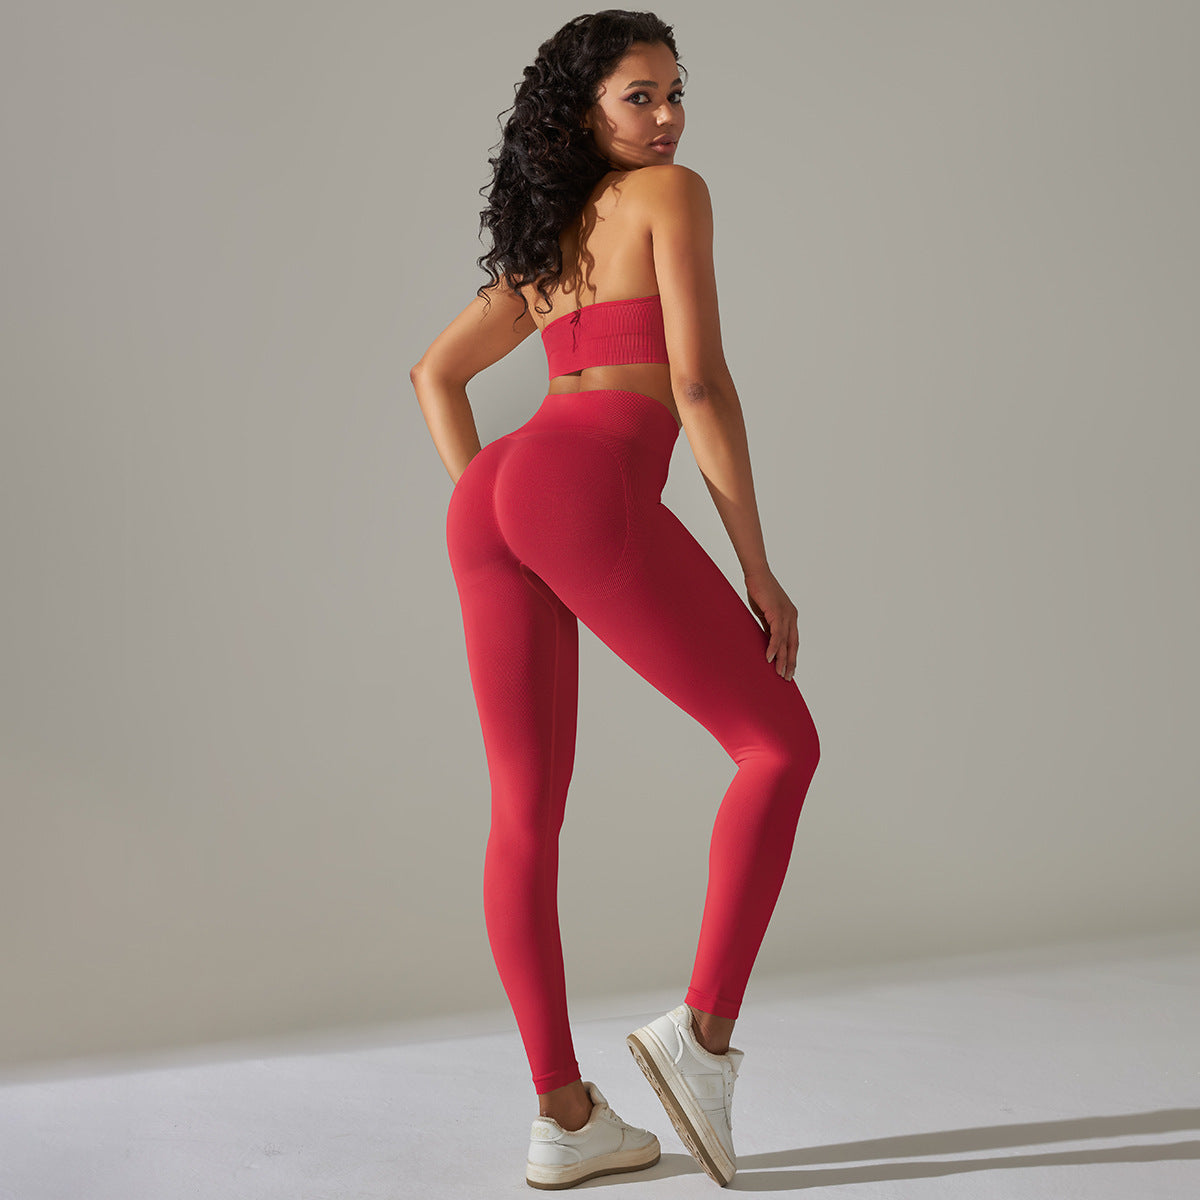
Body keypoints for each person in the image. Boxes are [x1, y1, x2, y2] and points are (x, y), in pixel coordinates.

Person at [411, 11, 820, 1190]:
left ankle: (565, 1116)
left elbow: (435, 374)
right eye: (640, 96)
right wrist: (756, 565)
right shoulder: (671, 198)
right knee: (779, 745)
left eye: (676, 93)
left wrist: (501, 506)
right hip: (574, 486)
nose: (668, 117)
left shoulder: (551, 241)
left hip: (494, 500)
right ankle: (701, 1043)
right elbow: (697, 382)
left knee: (522, 815)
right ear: (584, 110)